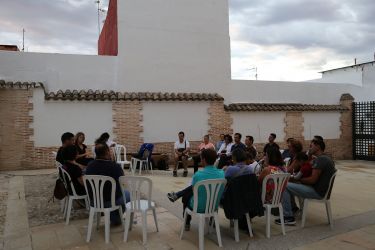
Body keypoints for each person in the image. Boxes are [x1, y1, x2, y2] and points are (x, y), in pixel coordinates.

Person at [277, 139, 336, 225]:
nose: (309, 148)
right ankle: (293, 209)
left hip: (317, 192)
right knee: (291, 184)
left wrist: (298, 179)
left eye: (311, 146)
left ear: (318, 146)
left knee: (284, 185)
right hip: (320, 190)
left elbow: (312, 180)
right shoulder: (324, 158)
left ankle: (288, 217)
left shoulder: (321, 160)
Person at [85, 143, 130, 226]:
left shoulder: (90, 165)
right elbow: (122, 181)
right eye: (110, 150)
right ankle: (116, 219)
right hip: (110, 202)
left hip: (94, 201)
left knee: (113, 194)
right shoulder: (115, 166)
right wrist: (113, 161)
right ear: (107, 152)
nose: (111, 152)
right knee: (128, 194)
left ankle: (115, 218)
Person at [180, 149, 225, 231]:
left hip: (198, 207)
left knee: (186, 196)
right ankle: (212, 220)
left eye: (201, 158)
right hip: (214, 206)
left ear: (203, 160)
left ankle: (187, 222)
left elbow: (193, 190)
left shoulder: (198, 175)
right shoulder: (222, 173)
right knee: (211, 194)